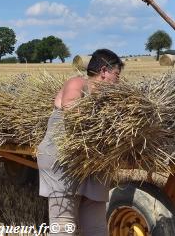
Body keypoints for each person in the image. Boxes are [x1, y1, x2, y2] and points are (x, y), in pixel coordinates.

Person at [37, 49, 124, 235]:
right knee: (63, 226)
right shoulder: (78, 83)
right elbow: (71, 109)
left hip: (93, 163)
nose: (118, 81)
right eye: (116, 75)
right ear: (103, 71)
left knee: (97, 227)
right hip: (63, 160)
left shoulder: (108, 98)